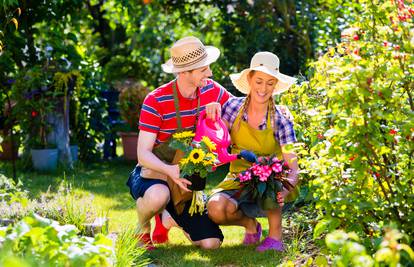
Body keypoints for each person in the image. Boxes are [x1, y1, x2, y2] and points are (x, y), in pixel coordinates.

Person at [126, 36, 231, 250]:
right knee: (158, 196)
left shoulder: (212, 90)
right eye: (203, 70)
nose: (210, 73)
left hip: (187, 179)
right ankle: (143, 228)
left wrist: (220, 113)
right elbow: (143, 154)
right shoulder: (156, 100)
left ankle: (166, 220)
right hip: (154, 173)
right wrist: (170, 170)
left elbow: (239, 112)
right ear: (184, 72)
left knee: (212, 244)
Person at [207, 51, 299, 252]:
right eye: (258, 81)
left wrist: (285, 189)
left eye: (269, 82)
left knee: (273, 178)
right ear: (249, 80)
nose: (263, 89)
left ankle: (275, 238)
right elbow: (216, 142)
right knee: (215, 208)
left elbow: (294, 169)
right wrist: (213, 113)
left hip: (271, 185)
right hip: (238, 178)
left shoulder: (281, 121)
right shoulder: (232, 108)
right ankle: (251, 226)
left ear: (275, 85)